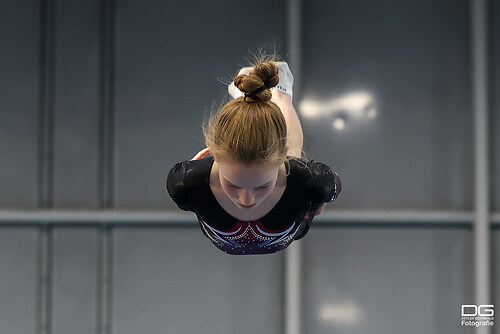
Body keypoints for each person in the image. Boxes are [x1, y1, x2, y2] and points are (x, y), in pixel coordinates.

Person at [167, 60, 341, 255]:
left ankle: (281, 95)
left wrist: (313, 202)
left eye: (261, 186)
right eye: (233, 185)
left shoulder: (313, 183)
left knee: (295, 162)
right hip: (286, 220)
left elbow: (322, 198)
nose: (247, 199)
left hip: (291, 182)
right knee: (295, 167)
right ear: (214, 153)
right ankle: (258, 100)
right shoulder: (186, 184)